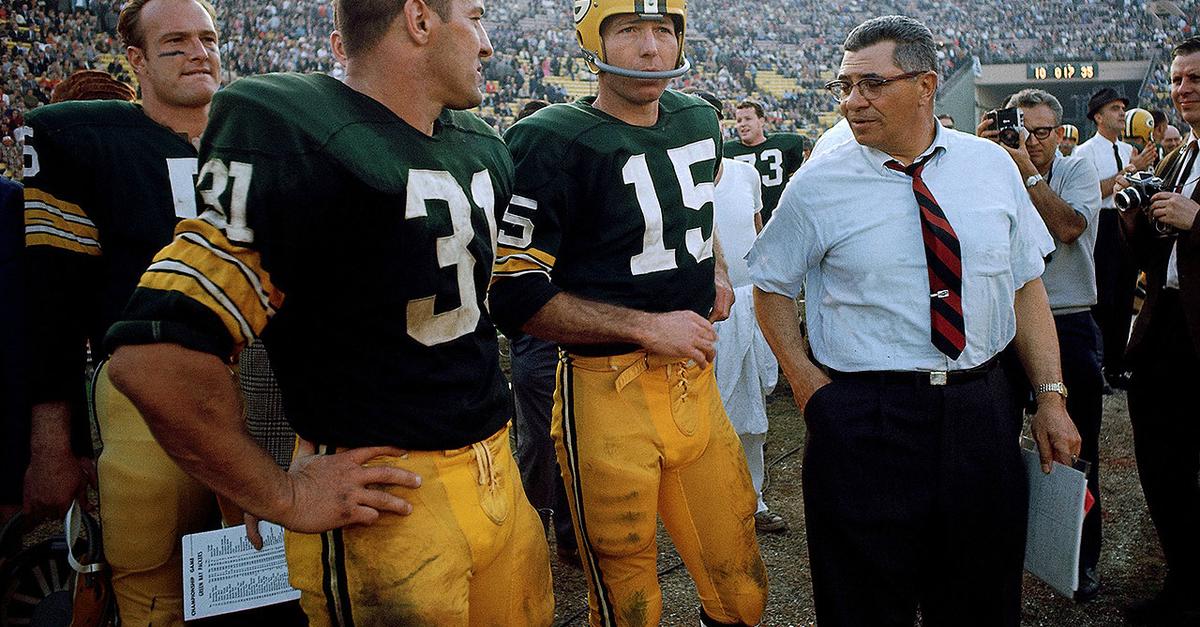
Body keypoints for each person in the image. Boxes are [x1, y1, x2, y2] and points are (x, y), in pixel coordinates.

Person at [104, 0, 554, 622]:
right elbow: (153, 358)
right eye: (475, 18)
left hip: (497, 469)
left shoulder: (477, 144)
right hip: (387, 498)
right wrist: (280, 492)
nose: (486, 44)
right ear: (420, 20)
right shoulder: (293, 129)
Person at [751, 16, 1081, 626]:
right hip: (865, 415)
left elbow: (1025, 286)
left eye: (871, 84)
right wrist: (806, 385)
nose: (853, 101)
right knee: (864, 604)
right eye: (844, 85)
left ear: (927, 85)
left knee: (980, 598)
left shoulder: (992, 167)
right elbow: (770, 289)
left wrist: (1051, 397)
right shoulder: (819, 183)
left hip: (981, 407)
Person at [489, 0, 768, 623]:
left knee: (741, 587)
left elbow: (692, 217)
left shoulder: (696, 117)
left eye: (662, 31)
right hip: (602, 388)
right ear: (595, 42)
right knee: (627, 594)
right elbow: (515, 293)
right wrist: (646, 325)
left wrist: (716, 269)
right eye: (630, 31)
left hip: (695, 386)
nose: (650, 48)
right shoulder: (552, 139)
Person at [20, 1, 224, 622]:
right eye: (175, 42)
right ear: (134, 59)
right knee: (153, 586)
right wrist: (52, 442)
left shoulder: (260, 139)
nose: (199, 51)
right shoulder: (85, 141)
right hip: (145, 400)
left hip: (261, 398)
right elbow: (52, 306)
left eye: (208, 38)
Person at [979, 87, 1105, 602]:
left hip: (1067, 320)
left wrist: (1023, 172)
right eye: (1018, 128)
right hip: (1004, 327)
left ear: (1061, 133)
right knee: (993, 449)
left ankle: (1079, 562)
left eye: (1042, 132)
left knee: (1076, 449)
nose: (1028, 140)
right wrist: (985, 155)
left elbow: (1070, 226)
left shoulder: (1074, 169)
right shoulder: (985, 168)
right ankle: (1000, 562)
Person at [1118, 36, 1200, 626]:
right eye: (1175, 80)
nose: (1183, 90)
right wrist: (1136, 218)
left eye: (1195, 79)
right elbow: (1156, 251)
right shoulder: (1182, 153)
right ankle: (1184, 584)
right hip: (1165, 328)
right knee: (1164, 468)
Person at [692, 88, 786, 534]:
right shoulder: (675, 177)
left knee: (752, 405)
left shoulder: (745, 175)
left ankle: (755, 496)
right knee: (709, 407)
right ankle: (708, 499)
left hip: (751, 301)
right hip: (703, 310)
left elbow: (757, 230)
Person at [508, 98, 580, 567]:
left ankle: (562, 530)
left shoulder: (557, 187)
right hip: (543, 331)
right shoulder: (522, 192)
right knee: (546, 439)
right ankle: (542, 526)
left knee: (556, 439)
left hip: (553, 330)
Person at [1074, 87, 1155, 390]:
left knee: (1124, 296)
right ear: (1097, 116)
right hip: (1103, 225)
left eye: (1122, 108)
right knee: (1104, 299)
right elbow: (1091, 193)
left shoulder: (1126, 151)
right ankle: (1099, 364)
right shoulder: (1085, 152)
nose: (1122, 114)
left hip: (1126, 221)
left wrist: (1137, 170)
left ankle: (1117, 365)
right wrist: (1133, 169)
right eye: (1114, 109)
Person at [724, 98, 806, 225]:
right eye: (739, 121)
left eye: (748, 119)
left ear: (761, 121)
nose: (742, 124)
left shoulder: (785, 143)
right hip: (745, 222)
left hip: (779, 220)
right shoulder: (727, 151)